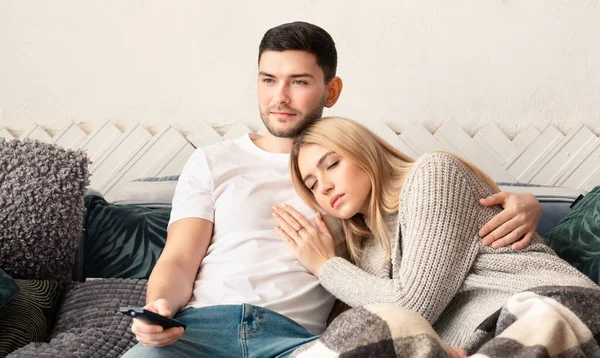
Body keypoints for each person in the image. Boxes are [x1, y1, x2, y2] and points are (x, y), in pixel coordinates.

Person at [124, 22, 543, 357]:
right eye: (268, 80)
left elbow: (433, 217)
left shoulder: (354, 176)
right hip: (201, 327)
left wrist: (527, 205)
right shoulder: (212, 161)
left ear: (332, 90)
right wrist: (159, 307)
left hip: (300, 341)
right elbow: (179, 258)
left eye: (299, 82)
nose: (280, 97)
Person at [272, 116, 599, 352]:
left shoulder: (432, 174)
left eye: (331, 164)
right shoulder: (367, 254)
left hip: (547, 310)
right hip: (484, 343)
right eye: (312, 185)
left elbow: (412, 307)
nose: (324, 186)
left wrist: (325, 266)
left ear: (364, 151)